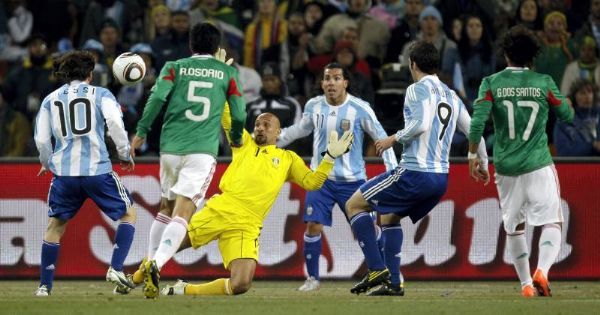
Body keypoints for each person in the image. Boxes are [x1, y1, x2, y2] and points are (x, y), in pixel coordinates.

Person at [134, 103, 353, 298]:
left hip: (248, 225)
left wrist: (329, 158)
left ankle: (184, 289)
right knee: (167, 248)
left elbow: (312, 182)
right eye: (257, 124)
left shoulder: (288, 159)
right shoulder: (244, 142)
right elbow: (227, 115)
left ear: (278, 132)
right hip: (221, 210)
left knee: (241, 284)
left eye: (267, 125)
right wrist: (219, 80)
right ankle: (132, 279)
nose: (260, 127)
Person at [344, 41, 489, 296]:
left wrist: (392, 138)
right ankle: (394, 283)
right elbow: (474, 131)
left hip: (414, 173)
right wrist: (482, 161)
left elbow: (420, 124)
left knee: (354, 205)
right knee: (389, 218)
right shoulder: (451, 95)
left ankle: (377, 268)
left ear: (413, 64)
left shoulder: (415, 89)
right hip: (440, 179)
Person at [129, 22, 246, 298]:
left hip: (170, 148)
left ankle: (149, 263)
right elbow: (239, 113)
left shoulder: (174, 67)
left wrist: (142, 132)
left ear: (191, 45)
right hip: (201, 150)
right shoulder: (228, 72)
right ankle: (155, 264)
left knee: (165, 208)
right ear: (217, 47)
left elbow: (157, 97)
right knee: (183, 213)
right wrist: (237, 136)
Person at [468, 25, 574, 298]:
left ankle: (526, 284)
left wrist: (473, 156)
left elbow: (477, 123)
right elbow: (566, 116)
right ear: (532, 56)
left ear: (505, 53)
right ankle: (543, 271)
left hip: (506, 167)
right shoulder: (544, 82)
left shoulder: (491, 83)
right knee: (552, 220)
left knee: (514, 226)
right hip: (538, 163)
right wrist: (568, 105)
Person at [277, 62, 397, 291]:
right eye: (327, 78)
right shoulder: (313, 106)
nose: (331, 82)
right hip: (320, 179)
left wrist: (393, 171)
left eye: (336, 78)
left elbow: (381, 138)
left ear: (345, 83)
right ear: (322, 83)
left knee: (369, 230)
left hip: (353, 181)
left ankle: (384, 273)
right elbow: (300, 129)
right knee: (313, 225)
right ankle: (312, 279)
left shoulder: (360, 108)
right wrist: (275, 141)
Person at [32, 50, 136, 296]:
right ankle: (116, 268)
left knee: (55, 226)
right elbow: (115, 125)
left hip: (65, 175)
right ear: (90, 74)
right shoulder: (101, 94)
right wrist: (124, 153)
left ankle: (44, 287)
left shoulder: (51, 99)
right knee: (129, 214)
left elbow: (41, 139)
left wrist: (46, 162)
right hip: (96, 170)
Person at [554, 79, 600, 156]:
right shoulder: (564, 121)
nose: (587, 96)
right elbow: (563, 152)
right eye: (582, 93)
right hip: (577, 166)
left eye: (590, 92)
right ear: (574, 96)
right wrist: (592, 146)